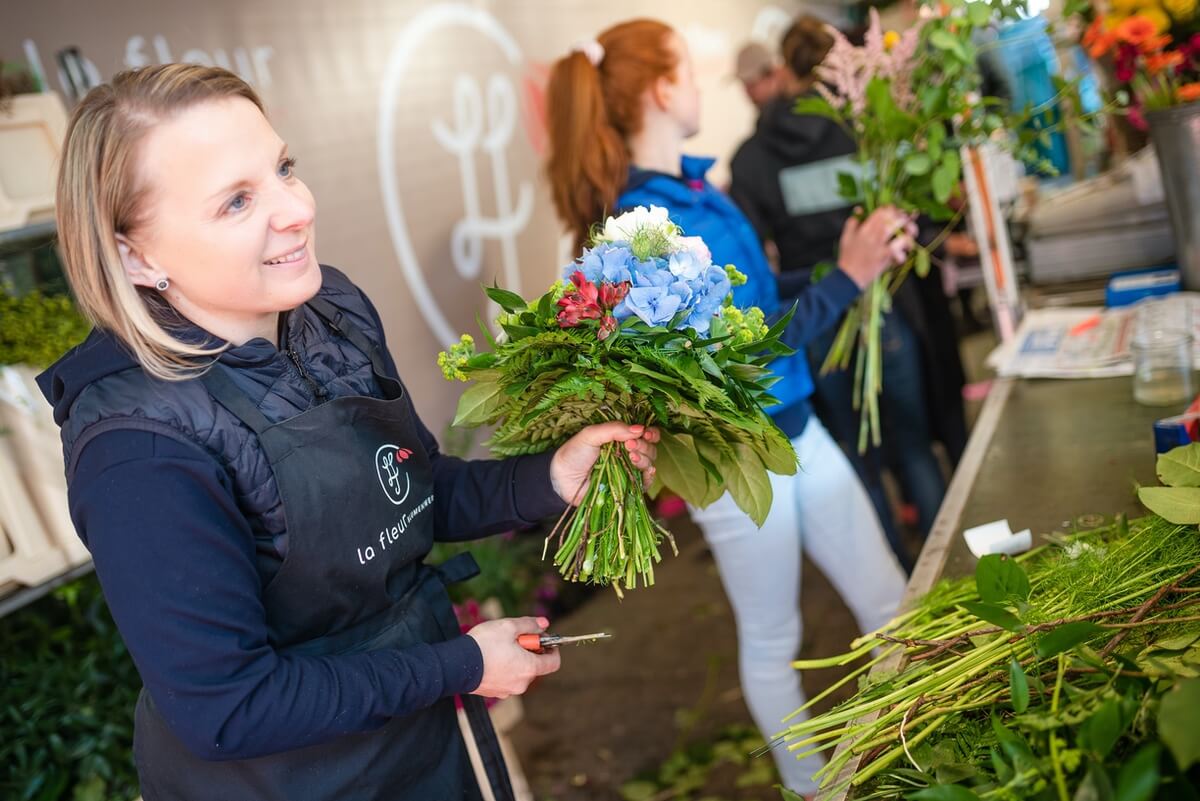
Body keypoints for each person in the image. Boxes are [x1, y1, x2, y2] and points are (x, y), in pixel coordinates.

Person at [37, 63, 660, 801]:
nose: (296, 209)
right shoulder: (138, 449)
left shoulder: (329, 309)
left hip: (411, 742)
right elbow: (229, 707)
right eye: (236, 201)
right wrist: (460, 664)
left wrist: (552, 477)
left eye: (283, 169)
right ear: (136, 255)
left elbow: (413, 488)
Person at [544, 21, 907, 798]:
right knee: (776, 638)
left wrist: (847, 262)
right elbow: (747, 354)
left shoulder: (696, 192)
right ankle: (818, 789)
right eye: (691, 71)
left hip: (800, 433)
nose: (704, 86)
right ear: (663, 90)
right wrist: (845, 277)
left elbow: (756, 302)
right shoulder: (647, 226)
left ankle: (922, 744)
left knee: (891, 603)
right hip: (734, 462)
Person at [729, 16, 969, 545]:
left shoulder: (751, 160)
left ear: (780, 70)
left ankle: (898, 581)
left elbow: (754, 260)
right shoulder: (859, 130)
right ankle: (945, 566)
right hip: (882, 307)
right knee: (912, 448)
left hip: (815, 317)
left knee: (857, 463)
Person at [732, 41, 784, 111]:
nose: (748, 92)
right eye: (744, 84)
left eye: (752, 84)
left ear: (771, 74)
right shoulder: (770, 114)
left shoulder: (796, 109)